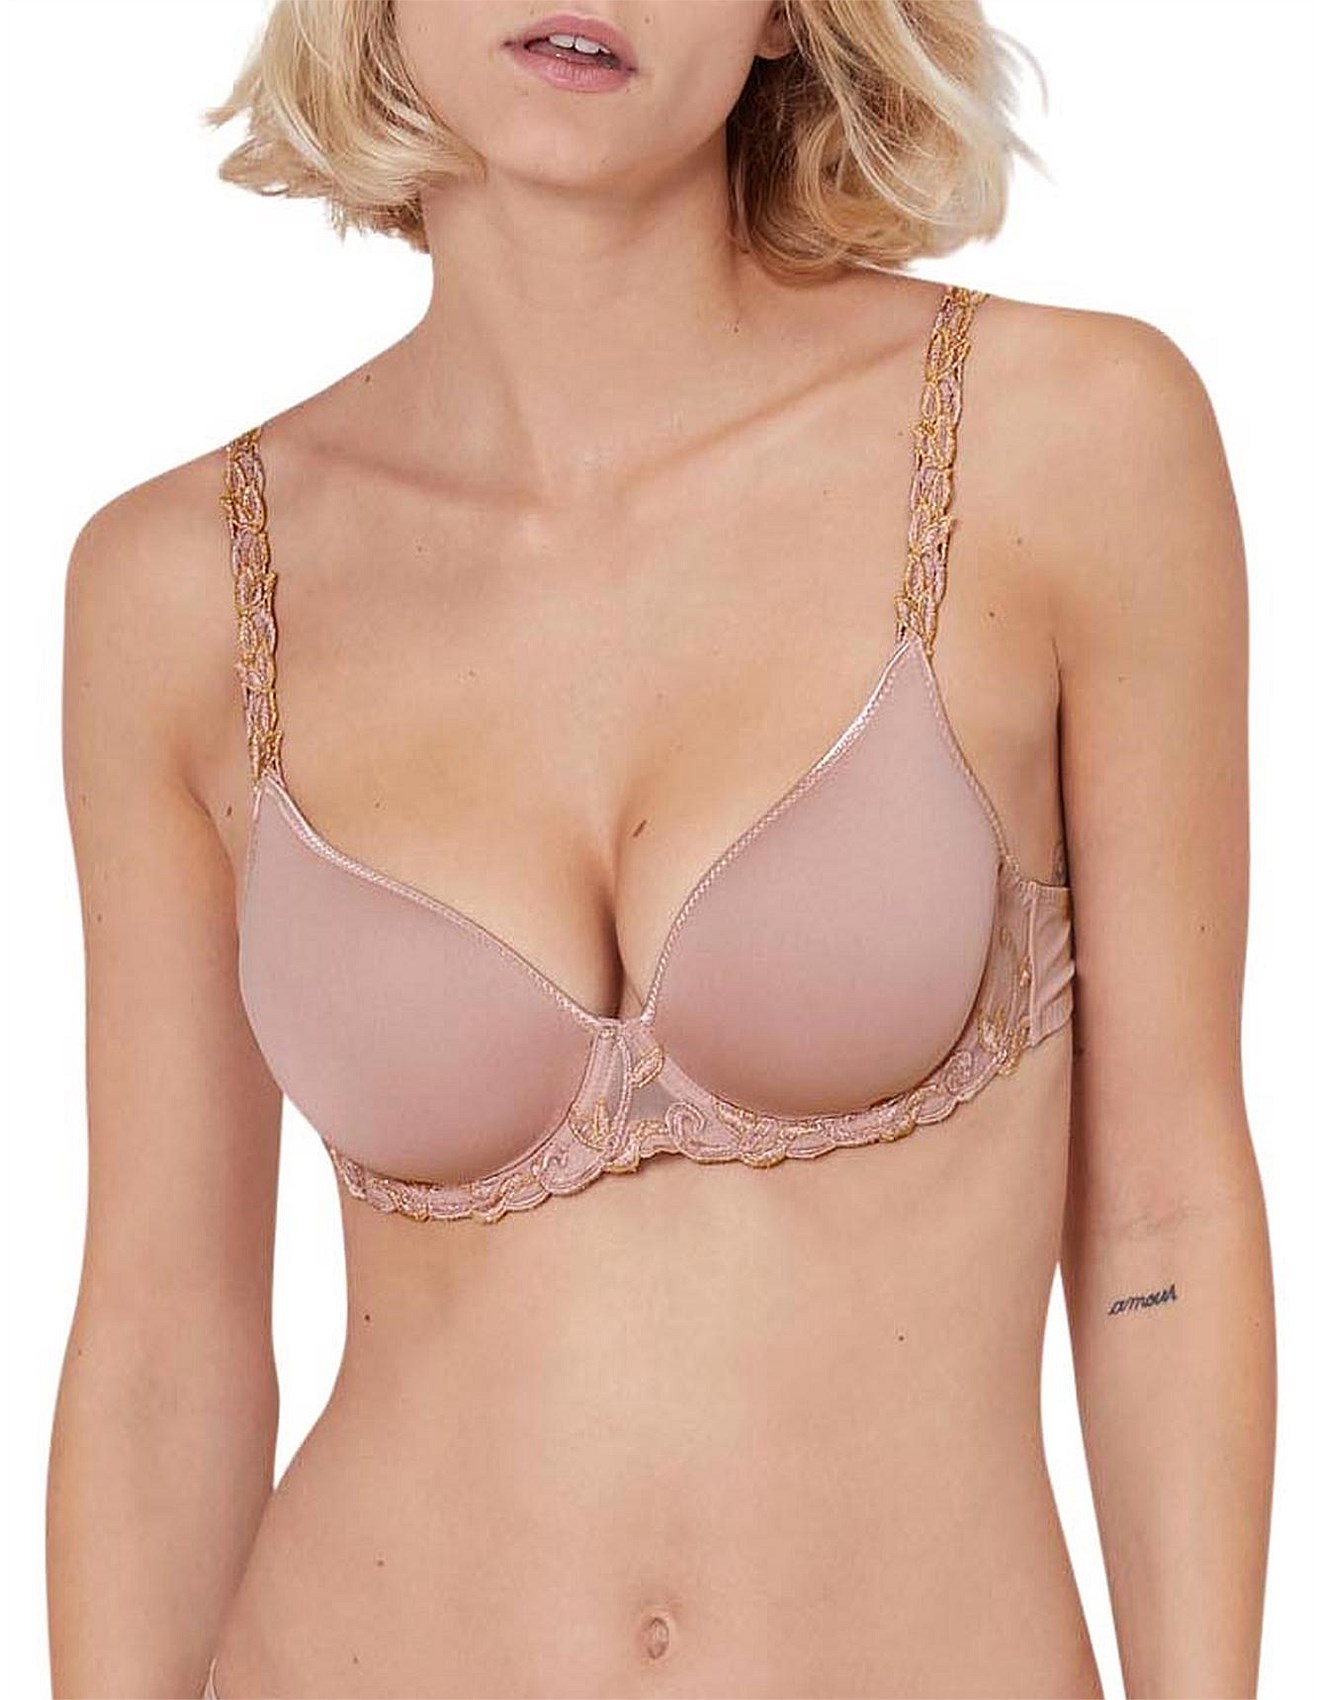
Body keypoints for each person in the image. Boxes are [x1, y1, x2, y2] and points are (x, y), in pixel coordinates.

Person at [46, 2, 1275, 1696]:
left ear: (783, 17)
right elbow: (160, 1357)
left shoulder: (1065, 440)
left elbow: (1163, 1226)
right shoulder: (180, 588)